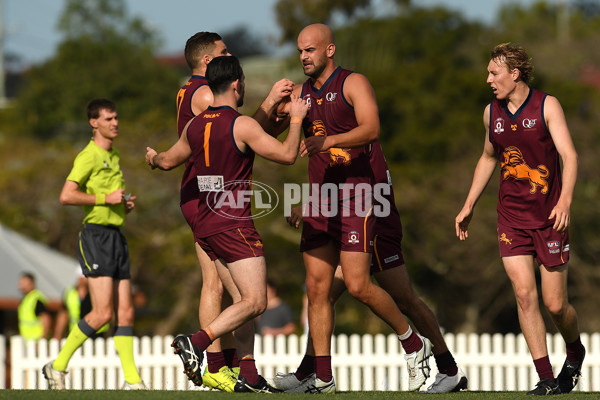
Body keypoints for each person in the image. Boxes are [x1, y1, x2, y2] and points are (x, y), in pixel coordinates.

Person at [265, 24, 432, 393]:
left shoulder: (353, 82)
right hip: (321, 201)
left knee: (357, 285)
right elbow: (260, 134)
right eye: (299, 51)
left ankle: (414, 343)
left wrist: (330, 141)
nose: (304, 57)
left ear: (330, 50)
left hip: (358, 195)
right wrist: (272, 101)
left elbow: (372, 128)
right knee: (316, 289)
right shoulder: (302, 95)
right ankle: (321, 377)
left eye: (310, 50)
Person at [145, 55, 308, 393]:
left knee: (240, 303)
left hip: (204, 225)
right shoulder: (241, 124)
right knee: (256, 302)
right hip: (233, 225)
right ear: (237, 84)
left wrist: (152, 158)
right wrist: (296, 120)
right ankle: (196, 342)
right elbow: (288, 155)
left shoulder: (195, 125)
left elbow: (169, 160)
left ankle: (248, 375)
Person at [273, 141, 468, 393]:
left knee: (400, 297)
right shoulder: (344, 127)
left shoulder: (353, 134)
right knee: (323, 296)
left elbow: (354, 192)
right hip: (360, 219)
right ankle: (309, 372)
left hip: (374, 222)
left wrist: (310, 207)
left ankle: (441, 364)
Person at [455, 43, 584, 396]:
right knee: (525, 295)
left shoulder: (547, 105)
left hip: (549, 218)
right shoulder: (490, 113)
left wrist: (566, 200)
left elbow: (569, 156)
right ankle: (545, 378)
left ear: (515, 74)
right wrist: (469, 204)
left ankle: (574, 352)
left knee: (555, 304)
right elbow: (487, 158)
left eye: (494, 73)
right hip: (510, 218)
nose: (488, 80)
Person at [175, 31, 295, 392]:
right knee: (236, 292)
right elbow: (237, 128)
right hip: (210, 198)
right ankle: (213, 362)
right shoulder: (206, 93)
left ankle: (246, 372)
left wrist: (158, 158)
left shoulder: (188, 90)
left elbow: (240, 131)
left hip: (200, 196)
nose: (231, 55)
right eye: (225, 52)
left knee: (233, 291)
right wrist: (277, 105)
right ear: (212, 63)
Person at [42, 98, 146, 390]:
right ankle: (57, 365)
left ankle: (132, 381)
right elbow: (66, 195)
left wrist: (122, 205)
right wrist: (105, 200)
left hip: (116, 236)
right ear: (94, 123)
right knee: (102, 314)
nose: (115, 123)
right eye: (109, 118)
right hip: (96, 237)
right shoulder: (88, 156)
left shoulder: (114, 156)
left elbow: (111, 198)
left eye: (116, 118)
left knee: (125, 313)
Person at [53, 271, 109, 340]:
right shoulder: (69, 292)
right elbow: (63, 314)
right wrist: (57, 334)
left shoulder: (98, 291)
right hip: (76, 332)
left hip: (98, 334)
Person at [17, 272, 52, 341]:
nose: (20, 283)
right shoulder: (26, 298)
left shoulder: (36, 299)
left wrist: (43, 338)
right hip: (27, 341)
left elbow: (46, 319)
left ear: (31, 283)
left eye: (23, 281)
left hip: (36, 341)